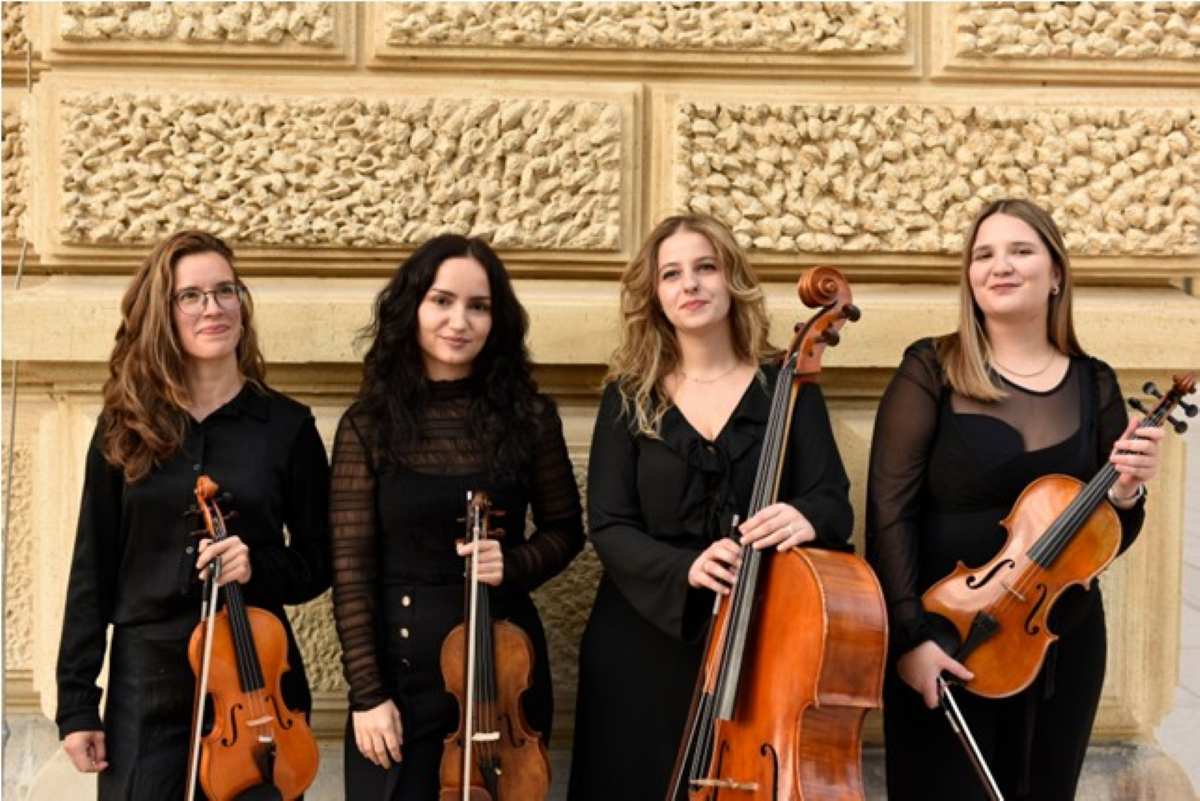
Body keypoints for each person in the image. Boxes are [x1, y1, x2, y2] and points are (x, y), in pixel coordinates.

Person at [866, 198, 1163, 800]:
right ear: (970, 278)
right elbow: (889, 512)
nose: (999, 266)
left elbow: (1105, 540)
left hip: (1058, 644)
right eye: (984, 255)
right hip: (948, 635)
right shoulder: (932, 368)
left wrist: (1128, 493)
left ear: (1055, 274)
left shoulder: (1095, 383)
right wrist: (911, 639)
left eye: (1020, 251)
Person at [567, 214, 854, 801]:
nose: (690, 284)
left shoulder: (789, 386)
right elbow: (609, 524)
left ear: (732, 281)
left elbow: (832, 501)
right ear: (655, 295)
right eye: (671, 274)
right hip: (643, 637)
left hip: (759, 637)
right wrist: (686, 567)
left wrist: (806, 517)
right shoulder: (629, 396)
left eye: (706, 267)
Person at [55, 231, 332, 800]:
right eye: (192, 296)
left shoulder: (287, 427)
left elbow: (319, 562)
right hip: (145, 688)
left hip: (253, 683)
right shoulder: (124, 427)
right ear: (163, 312)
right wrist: (77, 703)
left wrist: (257, 566)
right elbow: (92, 569)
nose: (214, 308)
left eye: (226, 291)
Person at [330, 234, 584, 800]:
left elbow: (567, 531)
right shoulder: (368, 426)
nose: (459, 321)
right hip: (398, 681)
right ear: (412, 308)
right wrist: (368, 695)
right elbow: (350, 572)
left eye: (478, 306)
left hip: (502, 682)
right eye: (442, 301)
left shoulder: (530, 418)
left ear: (497, 320)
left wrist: (512, 564)